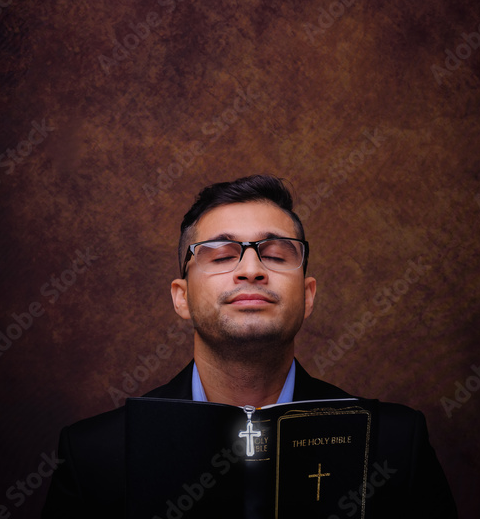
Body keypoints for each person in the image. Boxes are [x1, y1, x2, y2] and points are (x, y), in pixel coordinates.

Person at [41, 174, 458, 517]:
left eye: (276, 255)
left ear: (308, 295)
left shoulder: (394, 443)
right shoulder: (96, 454)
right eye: (221, 256)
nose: (252, 269)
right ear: (181, 297)